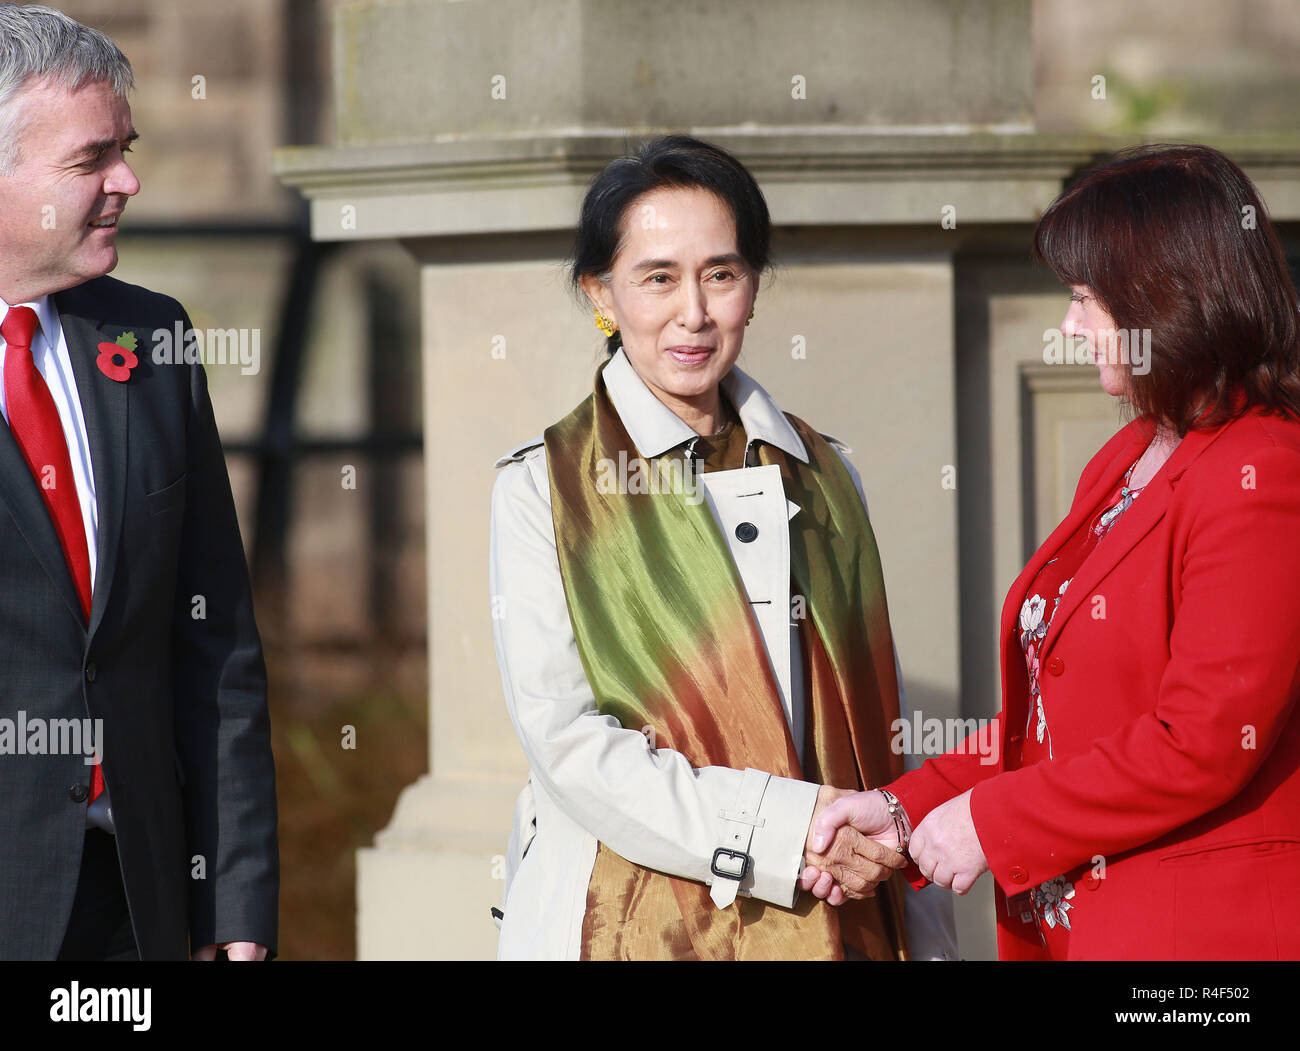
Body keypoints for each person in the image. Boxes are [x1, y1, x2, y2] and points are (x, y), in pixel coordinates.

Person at [806, 143, 1300, 960]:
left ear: (1162, 298)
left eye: (1084, 297)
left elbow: (1204, 742)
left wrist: (991, 821)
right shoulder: (1132, 454)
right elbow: (1058, 717)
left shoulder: (1264, 471)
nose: (1069, 326)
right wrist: (906, 808)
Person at [490, 133, 956, 960]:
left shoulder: (825, 472)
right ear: (603, 294)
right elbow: (571, 742)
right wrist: (786, 829)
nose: (694, 313)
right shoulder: (545, 488)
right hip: (636, 920)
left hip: (843, 913)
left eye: (722, 274)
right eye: (658, 277)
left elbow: (877, 725)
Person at [0, 4, 276, 960]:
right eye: (90, 160)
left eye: (127, 148)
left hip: (138, 905)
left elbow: (218, 648)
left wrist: (232, 907)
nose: (128, 180)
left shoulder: (152, 340)